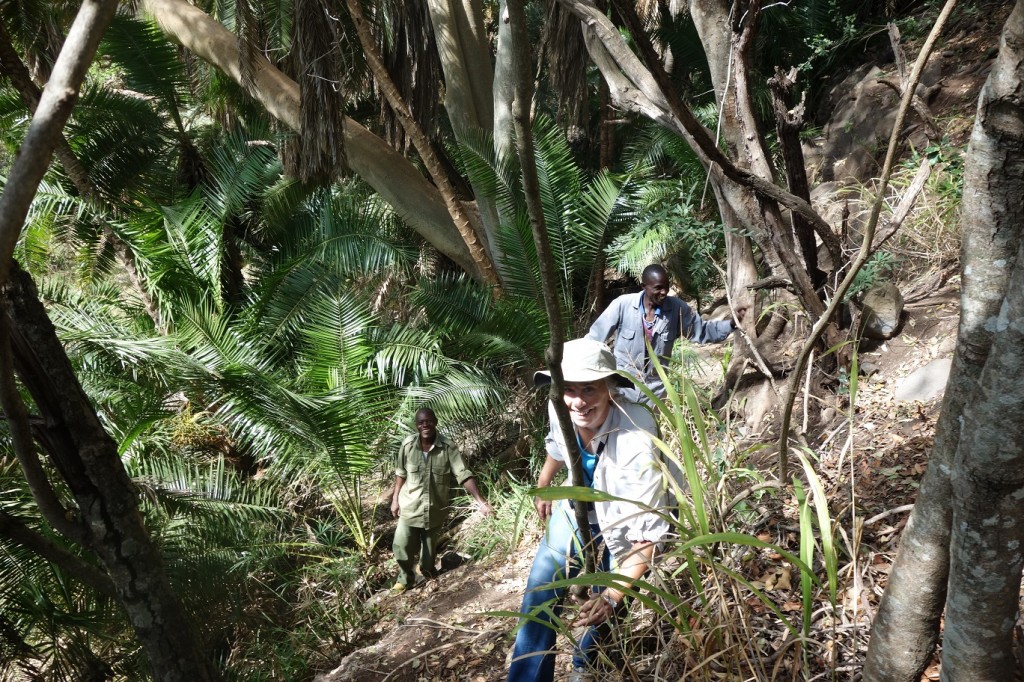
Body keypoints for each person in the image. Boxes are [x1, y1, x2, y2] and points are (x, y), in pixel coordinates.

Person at [508, 339, 673, 682]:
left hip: (624, 513)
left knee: (612, 596)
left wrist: (612, 595)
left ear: (611, 389)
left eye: (589, 389)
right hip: (575, 504)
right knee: (540, 589)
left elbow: (646, 536)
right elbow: (558, 443)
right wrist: (545, 485)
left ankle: (586, 665)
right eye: (569, 389)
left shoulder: (635, 437)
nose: (578, 401)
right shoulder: (560, 404)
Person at [586, 263, 743, 401]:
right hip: (623, 385)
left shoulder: (677, 309)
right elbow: (593, 339)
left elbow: (702, 331)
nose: (664, 292)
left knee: (649, 432)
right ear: (644, 286)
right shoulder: (622, 305)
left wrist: (731, 324)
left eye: (666, 287)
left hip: (656, 389)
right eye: (658, 288)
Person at [391, 407, 493, 591]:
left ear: (435, 422)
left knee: (429, 554)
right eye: (421, 422)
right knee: (401, 545)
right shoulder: (407, 445)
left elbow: (463, 474)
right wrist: (395, 499)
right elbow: (400, 473)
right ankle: (406, 579)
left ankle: (428, 576)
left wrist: (481, 501)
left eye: (429, 421)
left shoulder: (448, 447)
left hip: (435, 509)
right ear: (416, 425)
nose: (425, 425)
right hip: (409, 507)